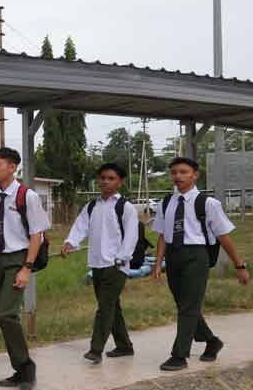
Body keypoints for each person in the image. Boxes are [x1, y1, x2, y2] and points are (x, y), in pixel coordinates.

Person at [153, 157, 249, 371]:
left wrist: (239, 266)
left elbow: (224, 237)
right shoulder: (166, 202)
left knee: (188, 306)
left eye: (183, 172)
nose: (178, 176)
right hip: (174, 256)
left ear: (195, 175)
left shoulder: (208, 204)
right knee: (185, 305)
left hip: (196, 256)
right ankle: (212, 341)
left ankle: (179, 356)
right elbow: (162, 235)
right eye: (174, 172)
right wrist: (158, 263)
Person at [0, 147, 50, 390]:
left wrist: (26, 268)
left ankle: (27, 368)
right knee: (4, 316)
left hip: (17, 258)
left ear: (12, 167)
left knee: (6, 314)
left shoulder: (27, 196)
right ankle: (19, 369)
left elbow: (36, 234)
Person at [62, 163, 138, 364]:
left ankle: (95, 350)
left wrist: (121, 259)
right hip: (96, 263)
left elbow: (131, 237)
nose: (105, 181)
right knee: (113, 307)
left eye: (111, 178)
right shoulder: (91, 206)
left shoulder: (126, 208)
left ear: (120, 182)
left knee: (105, 307)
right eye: (102, 177)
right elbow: (80, 227)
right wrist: (71, 242)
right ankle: (124, 346)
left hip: (117, 265)